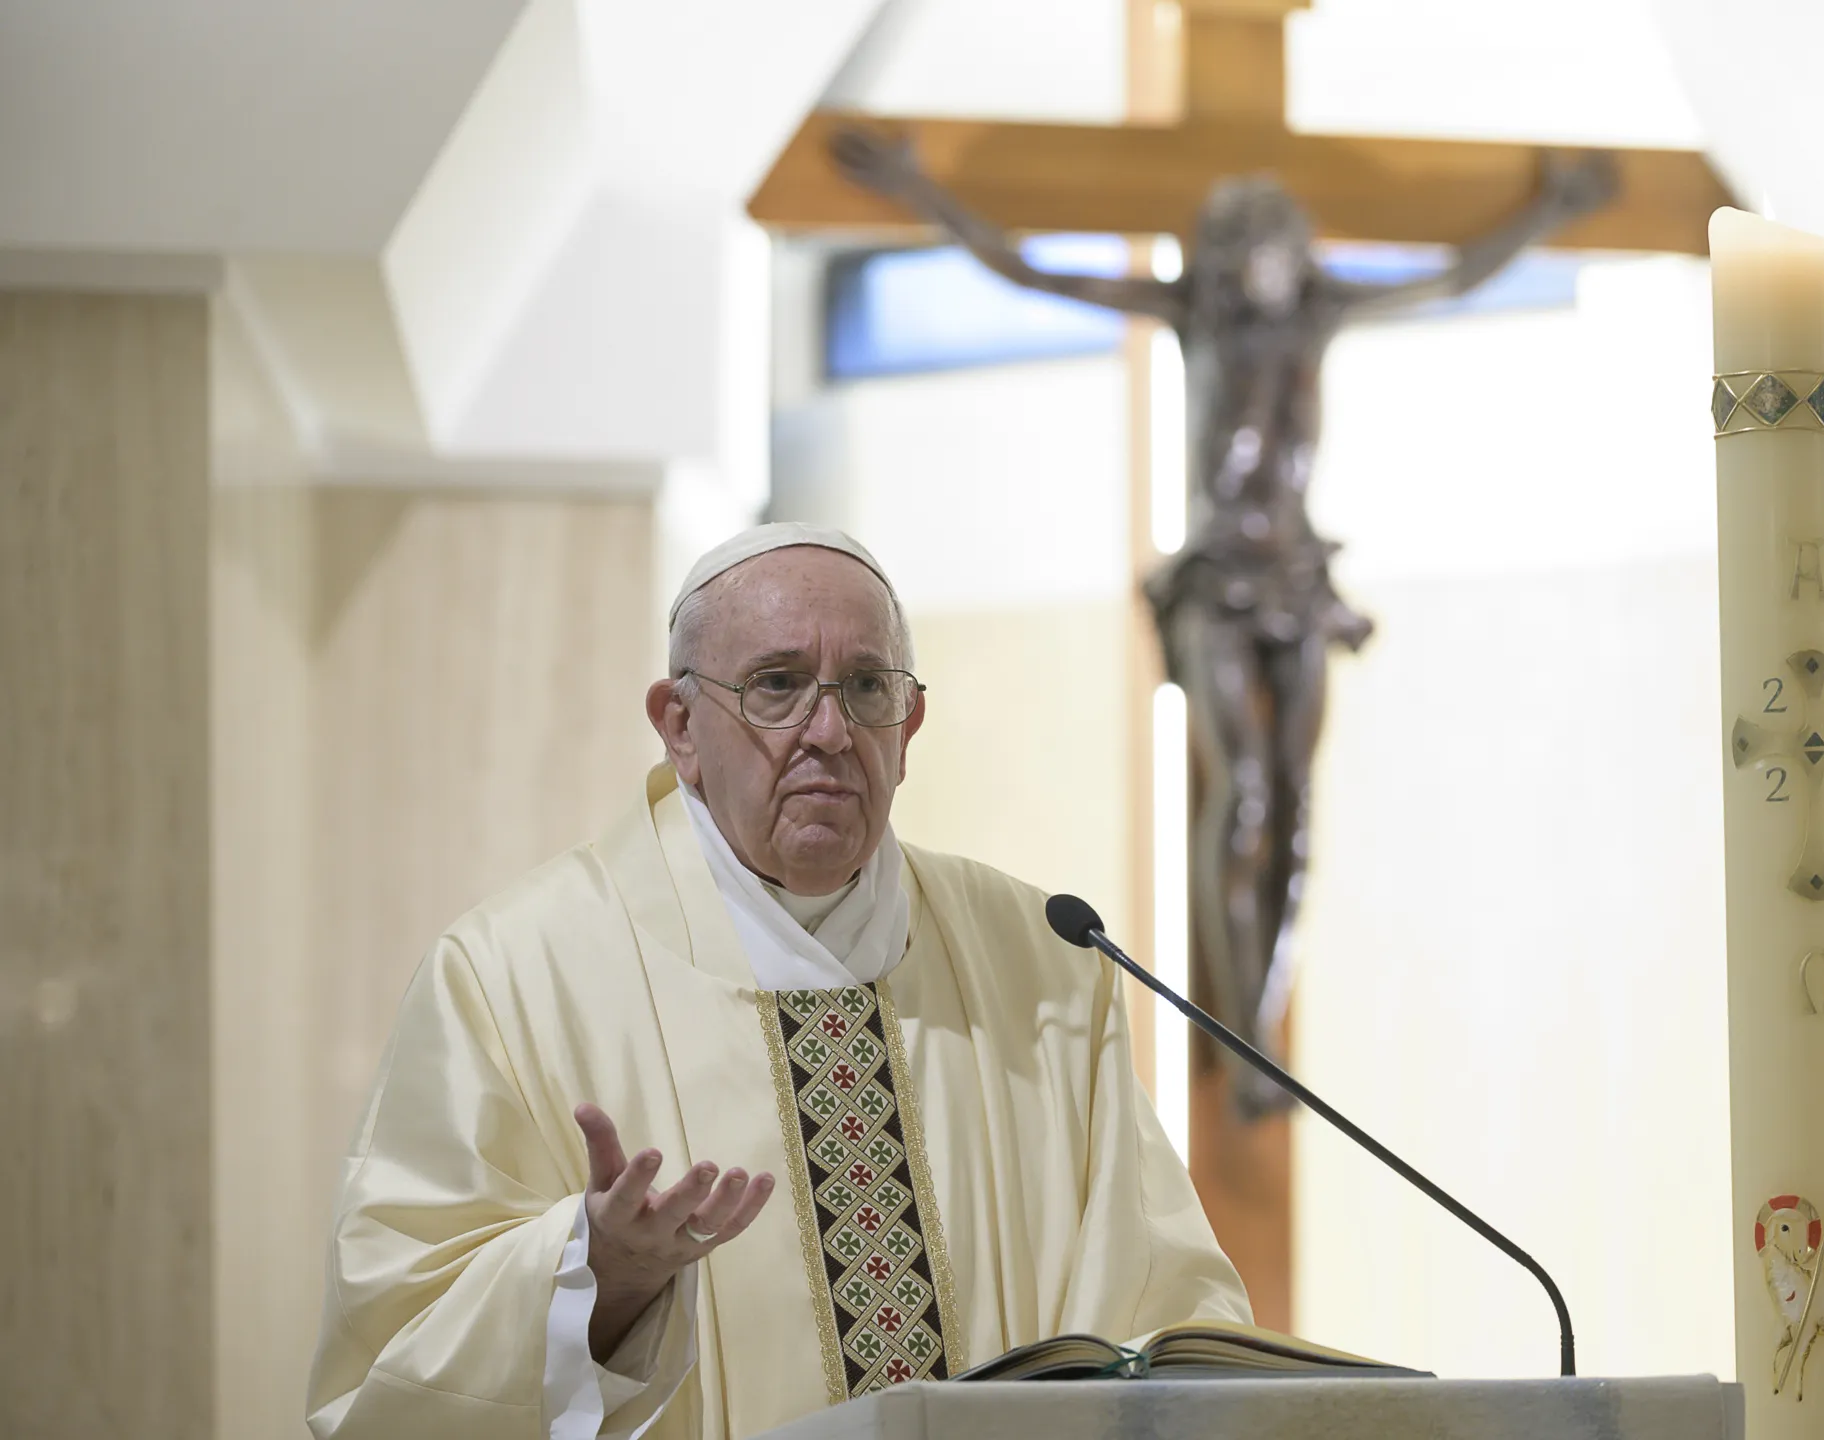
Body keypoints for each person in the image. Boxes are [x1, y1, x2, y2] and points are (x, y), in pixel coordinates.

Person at [306, 524, 1249, 1440]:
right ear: (678, 725)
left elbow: (1162, 1310)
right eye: (777, 686)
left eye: (868, 687)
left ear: (909, 723)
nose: (829, 731)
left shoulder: (1040, 963)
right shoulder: (509, 976)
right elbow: (395, 1359)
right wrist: (598, 1278)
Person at [832, 131, 1614, 1114]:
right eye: (1243, 249)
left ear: (1295, 251)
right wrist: (918, 190)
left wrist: (1549, 212)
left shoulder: (1322, 312)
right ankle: (1240, 1038)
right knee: (1241, 789)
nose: (1261, 268)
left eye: (1275, 246)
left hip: (1297, 576)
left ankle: (1264, 1023)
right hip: (1215, 580)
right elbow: (1031, 272)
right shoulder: (1194, 313)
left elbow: (1455, 276)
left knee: (1294, 807)